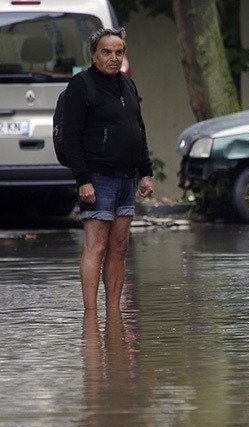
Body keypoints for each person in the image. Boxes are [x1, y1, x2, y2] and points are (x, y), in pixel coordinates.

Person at [62, 28, 154, 312]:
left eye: (119, 52)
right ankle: (90, 314)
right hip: (98, 178)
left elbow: (138, 129)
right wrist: (83, 179)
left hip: (127, 178)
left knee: (119, 248)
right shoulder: (82, 85)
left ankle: (113, 313)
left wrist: (146, 172)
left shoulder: (128, 85)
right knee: (97, 246)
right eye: (106, 52)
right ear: (93, 55)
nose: (113, 58)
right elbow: (70, 137)